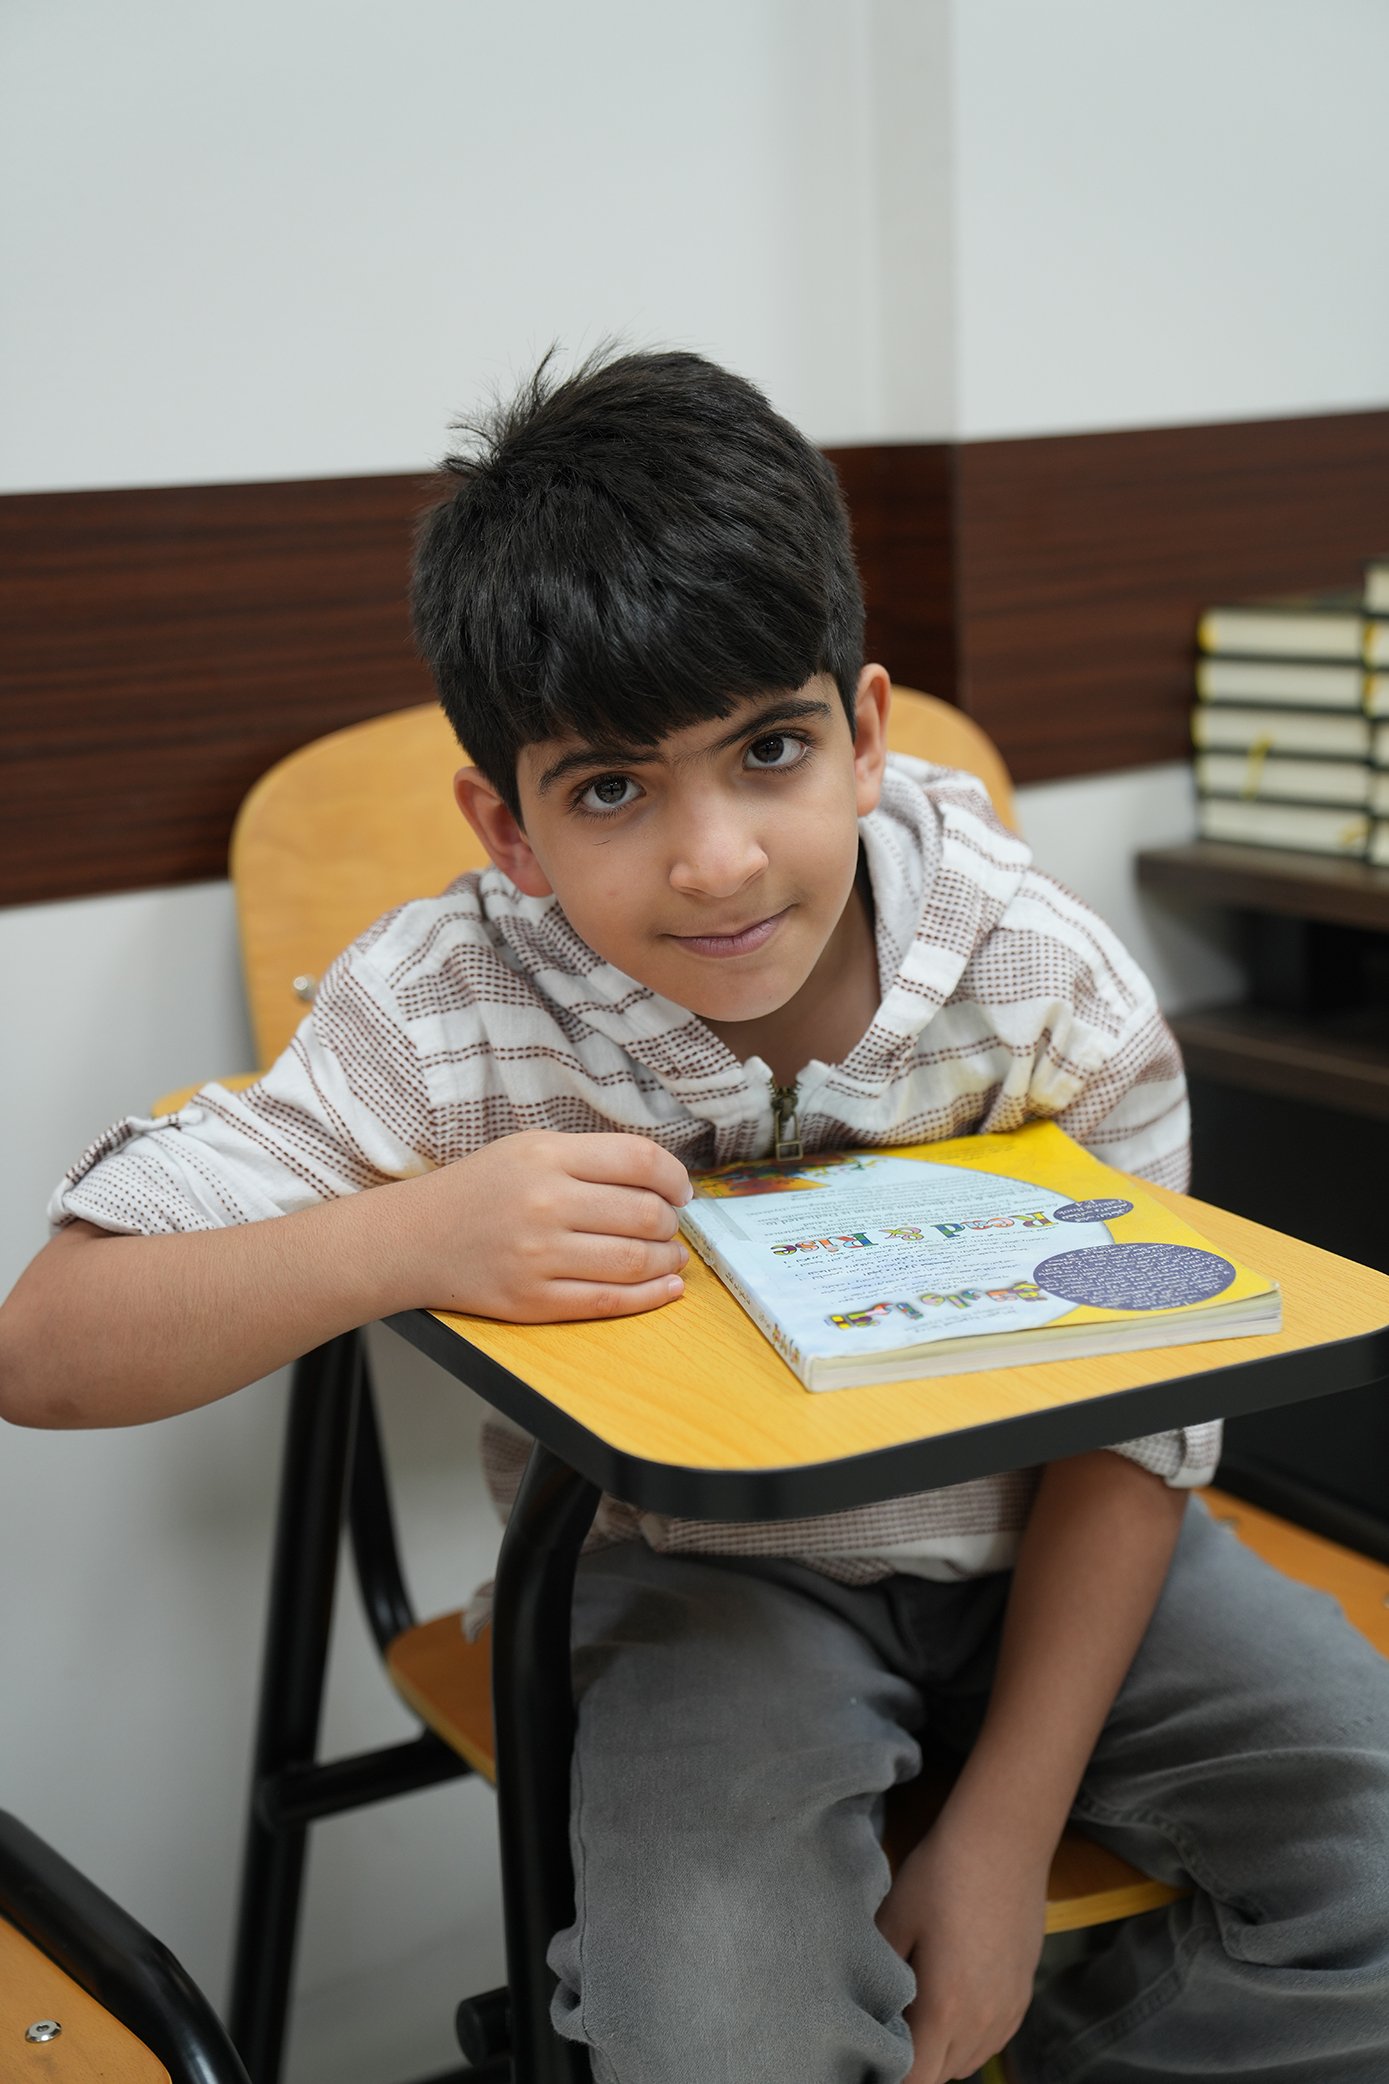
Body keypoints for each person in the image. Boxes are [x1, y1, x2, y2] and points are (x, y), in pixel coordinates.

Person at [2, 348, 1386, 2084]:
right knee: (720, 2022)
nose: (715, 859)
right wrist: (409, 1238)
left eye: (769, 749)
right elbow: (46, 1349)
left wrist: (1003, 1831)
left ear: (864, 735)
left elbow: (1139, 1414)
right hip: (705, 1589)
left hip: (1066, 1544)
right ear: (506, 829)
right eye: (610, 788)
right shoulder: (447, 1010)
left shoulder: (1035, 976)